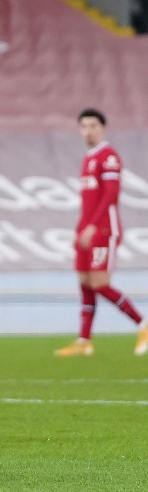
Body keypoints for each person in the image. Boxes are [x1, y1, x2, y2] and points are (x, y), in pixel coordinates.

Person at [55, 109, 148, 357]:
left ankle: (143, 325)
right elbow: (88, 200)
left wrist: (94, 225)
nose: (88, 130)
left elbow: (110, 194)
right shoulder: (88, 159)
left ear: (103, 128)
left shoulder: (109, 156)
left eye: (93, 125)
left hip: (104, 229)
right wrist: (81, 228)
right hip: (87, 229)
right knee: (85, 282)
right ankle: (84, 340)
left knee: (100, 283)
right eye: (84, 126)